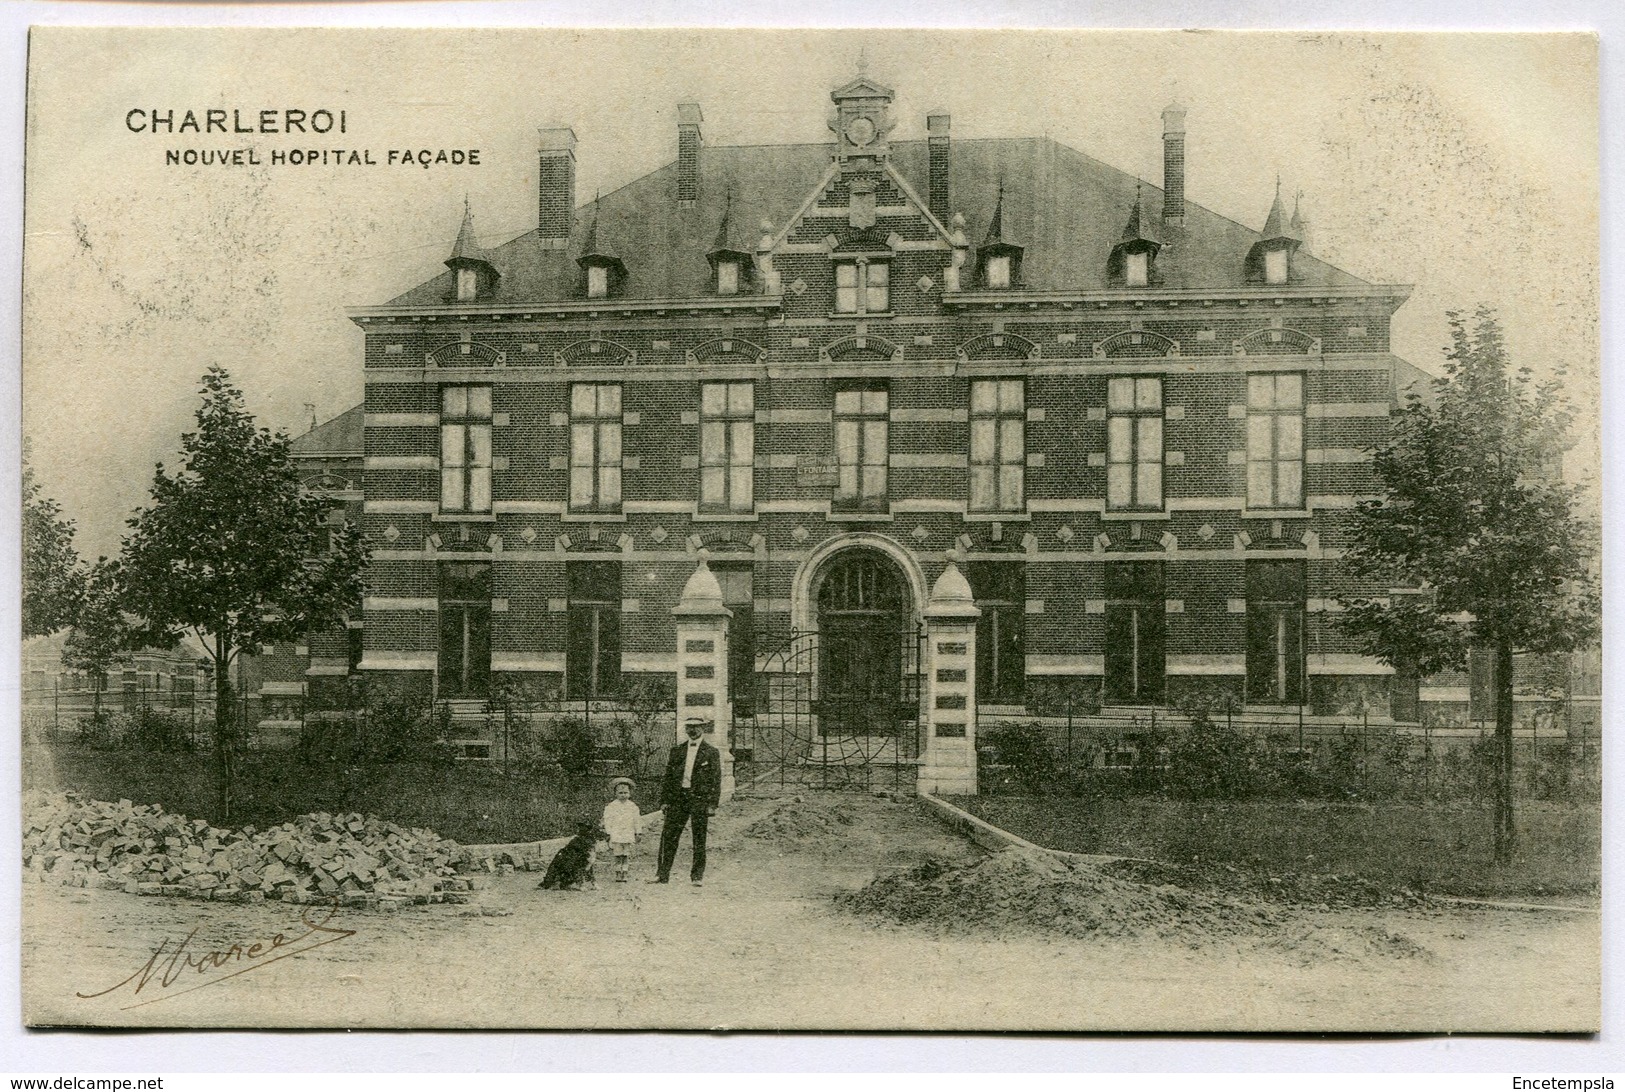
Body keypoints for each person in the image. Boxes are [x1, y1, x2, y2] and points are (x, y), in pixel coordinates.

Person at [652, 717, 722, 886]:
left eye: (696, 727)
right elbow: (668, 777)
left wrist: (712, 804)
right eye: (689, 727)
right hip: (678, 798)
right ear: (685, 729)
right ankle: (662, 874)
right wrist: (664, 800)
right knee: (668, 836)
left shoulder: (711, 752)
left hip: (699, 800)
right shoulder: (677, 751)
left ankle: (697, 876)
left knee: (699, 838)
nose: (693, 730)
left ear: (702, 729)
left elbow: (716, 779)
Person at [601, 776, 641, 883]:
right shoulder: (611, 806)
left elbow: (637, 820)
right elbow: (608, 820)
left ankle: (625, 872)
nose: (623, 795)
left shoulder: (633, 807)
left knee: (626, 854)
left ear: (630, 793)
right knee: (618, 854)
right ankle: (618, 872)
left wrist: (638, 832)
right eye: (620, 793)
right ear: (615, 794)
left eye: (625, 793)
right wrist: (608, 832)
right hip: (616, 834)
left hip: (628, 834)